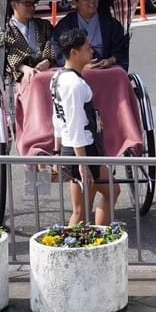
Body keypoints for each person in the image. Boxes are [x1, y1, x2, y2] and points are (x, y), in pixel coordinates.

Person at [50, 29, 121, 226]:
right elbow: (74, 125)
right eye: (88, 48)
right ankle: (80, 248)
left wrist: (57, 151)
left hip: (72, 149)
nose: (92, 51)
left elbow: (57, 118)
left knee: (97, 200)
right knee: (82, 210)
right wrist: (83, 164)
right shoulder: (74, 84)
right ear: (74, 53)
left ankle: (95, 240)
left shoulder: (57, 78)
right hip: (83, 150)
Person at [53, 0, 129, 71]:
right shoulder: (65, 25)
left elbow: (121, 51)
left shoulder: (111, 23)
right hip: (76, 72)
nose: (92, 1)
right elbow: (59, 52)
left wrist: (111, 60)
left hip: (106, 71)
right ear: (75, 2)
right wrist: (79, 65)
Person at [3, 0, 55, 82]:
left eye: (33, 3)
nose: (32, 7)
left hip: (47, 70)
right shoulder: (6, 31)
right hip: (22, 75)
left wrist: (47, 61)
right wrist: (24, 68)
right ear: (14, 5)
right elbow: (9, 57)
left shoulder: (44, 25)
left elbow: (53, 43)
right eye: (27, 3)